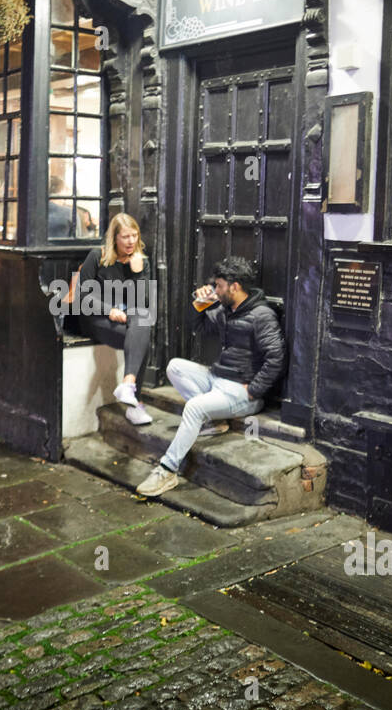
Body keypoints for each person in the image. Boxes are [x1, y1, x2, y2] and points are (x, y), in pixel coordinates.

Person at [135, 255, 285, 497]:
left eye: (219, 285)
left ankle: (167, 471)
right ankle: (215, 421)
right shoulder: (227, 309)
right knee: (174, 367)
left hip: (242, 392)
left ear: (234, 286)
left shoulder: (261, 315)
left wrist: (254, 390)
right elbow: (199, 328)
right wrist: (201, 302)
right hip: (217, 378)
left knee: (193, 407)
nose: (216, 289)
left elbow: (276, 358)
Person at [76, 213, 155, 425]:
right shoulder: (98, 256)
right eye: (125, 237)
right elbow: (82, 297)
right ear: (114, 238)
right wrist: (108, 310)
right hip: (95, 318)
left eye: (134, 236)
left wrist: (137, 273)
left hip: (125, 318)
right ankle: (135, 404)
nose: (131, 242)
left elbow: (143, 302)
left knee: (143, 320)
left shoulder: (141, 262)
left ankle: (128, 385)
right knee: (141, 337)